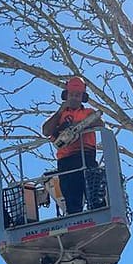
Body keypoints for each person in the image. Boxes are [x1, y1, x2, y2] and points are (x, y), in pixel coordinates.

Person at [42, 76, 98, 214]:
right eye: (71, 94)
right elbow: (46, 131)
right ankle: (74, 215)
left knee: (94, 193)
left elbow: (100, 123)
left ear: (83, 97)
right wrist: (60, 112)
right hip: (66, 160)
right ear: (66, 95)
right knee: (72, 198)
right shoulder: (59, 116)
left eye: (77, 95)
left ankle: (97, 210)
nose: (74, 97)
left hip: (86, 156)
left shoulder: (89, 113)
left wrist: (78, 128)